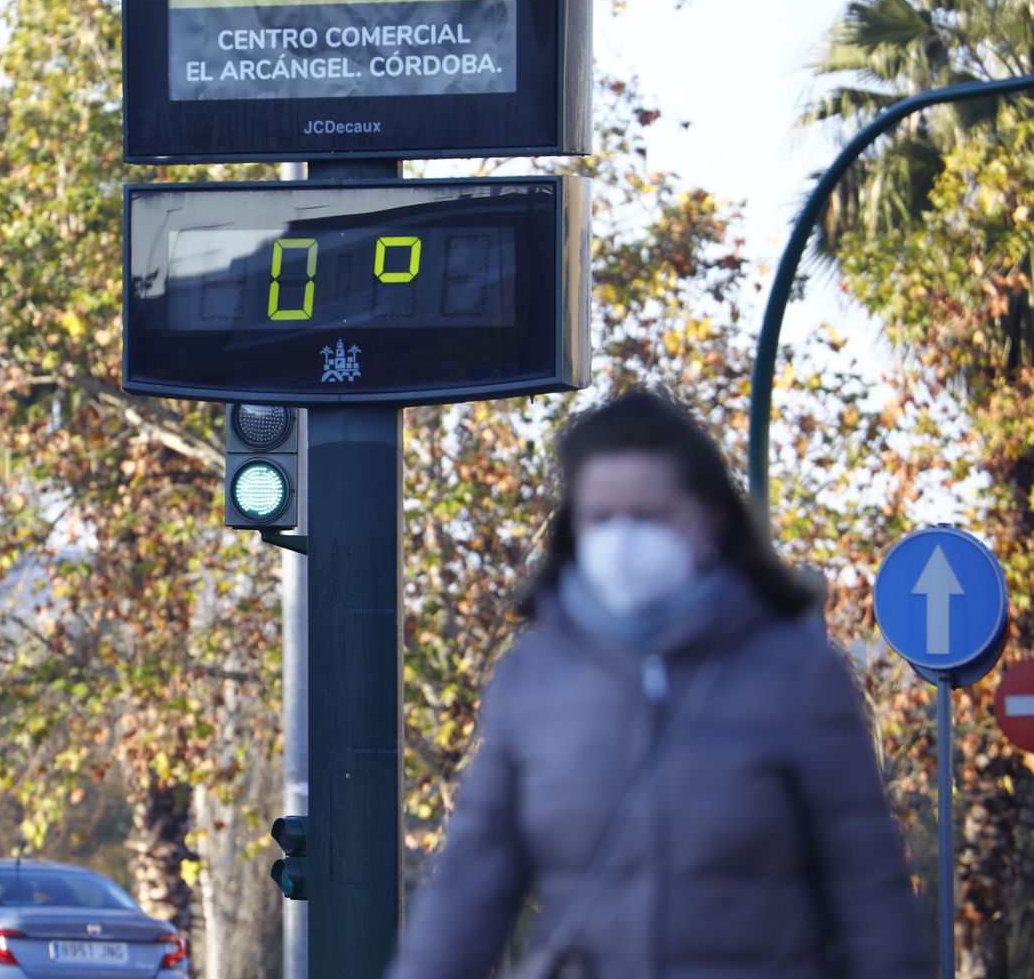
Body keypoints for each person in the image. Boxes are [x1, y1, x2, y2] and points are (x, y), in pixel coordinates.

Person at [384, 390, 931, 979]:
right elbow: (467, 890)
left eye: (648, 515)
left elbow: (870, 896)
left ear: (709, 520)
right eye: (602, 518)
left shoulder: (797, 674)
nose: (622, 538)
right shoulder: (532, 679)